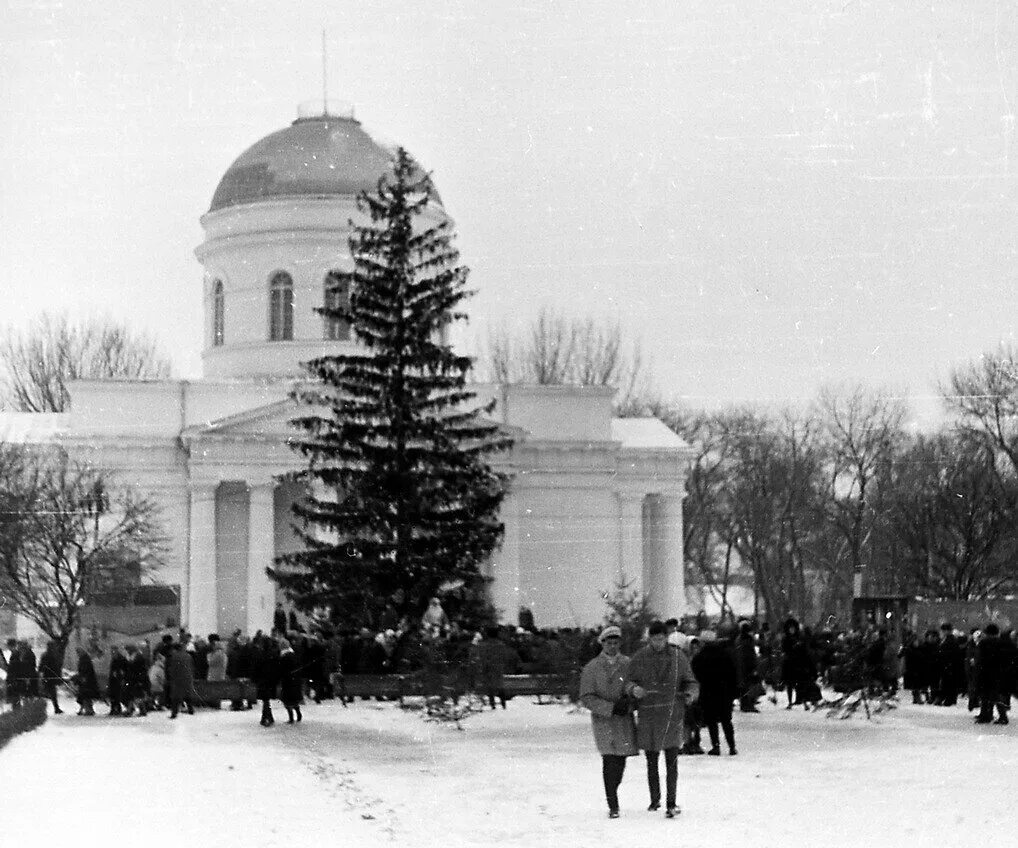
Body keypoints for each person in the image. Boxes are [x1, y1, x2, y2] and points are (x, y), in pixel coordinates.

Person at [625, 620, 700, 819]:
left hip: (671, 714)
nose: (658, 643)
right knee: (651, 761)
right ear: (649, 638)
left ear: (666, 637)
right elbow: (628, 681)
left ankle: (671, 802)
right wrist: (634, 689)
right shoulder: (639, 658)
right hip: (649, 714)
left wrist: (691, 694)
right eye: (654, 639)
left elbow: (690, 681)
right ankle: (654, 798)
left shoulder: (678, 657)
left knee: (672, 761)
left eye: (661, 639)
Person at [579, 625, 638, 819]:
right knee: (609, 759)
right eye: (609, 643)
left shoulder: (629, 664)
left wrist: (630, 703)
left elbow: (636, 685)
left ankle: (613, 793)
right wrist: (609, 708)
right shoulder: (592, 668)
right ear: (602, 644)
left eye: (616, 643)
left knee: (620, 761)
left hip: (623, 720)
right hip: (604, 721)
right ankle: (612, 803)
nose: (612, 646)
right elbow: (587, 697)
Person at [691, 629, 739, 756]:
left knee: (712, 721)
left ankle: (716, 746)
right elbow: (733, 674)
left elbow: (695, 676)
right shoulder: (725, 655)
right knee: (726, 720)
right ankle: (732, 746)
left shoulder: (699, 657)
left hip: (708, 692)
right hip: (725, 692)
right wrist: (734, 692)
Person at [472, 625, 510, 710]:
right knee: (500, 684)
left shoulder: (483, 645)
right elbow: (504, 656)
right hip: (498, 666)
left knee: (490, 686)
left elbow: (481, 657)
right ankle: (503, 704)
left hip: (488, 666)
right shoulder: (501, 644)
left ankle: (492, 704)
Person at [166, 641, 196, 719]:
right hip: (188, 677)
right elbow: (192, 667)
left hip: (177, 679)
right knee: (188, 694)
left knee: (176, 696)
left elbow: (171, 668)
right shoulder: (188, 656)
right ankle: (191, 709)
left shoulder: (173, 656)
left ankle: (174, 713)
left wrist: (170, 677)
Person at [277, 637, 303, 724]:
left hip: (287, 680)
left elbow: (281, 669)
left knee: (287, 700)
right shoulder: (294, 655)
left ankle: (291, 717)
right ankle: (298, 713)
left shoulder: (283, 657)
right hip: (295, 680)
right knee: (295, 698)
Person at [38, 640, 64, 714]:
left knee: (48, 693)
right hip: (50, 676)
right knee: (50, 693)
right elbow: (56, 666)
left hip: (48, 676)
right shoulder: (53, 655)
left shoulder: (46, 655)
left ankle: (54, 708)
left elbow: (42, 666)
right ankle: (55, 708)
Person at [74, 648, 100, 716]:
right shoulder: (84, 659)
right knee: (85, 696)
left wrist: (83, 677)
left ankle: (88, 710)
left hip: (87, 681)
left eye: (78, 653)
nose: (78, 654)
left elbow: (85, 670)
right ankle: (86, 709)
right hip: (86, 680)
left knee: (85, 696)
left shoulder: (84, 659)